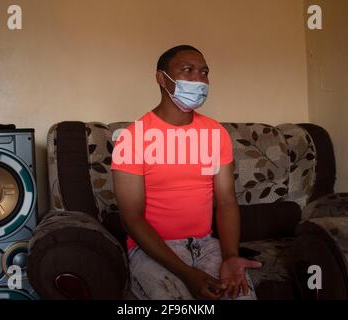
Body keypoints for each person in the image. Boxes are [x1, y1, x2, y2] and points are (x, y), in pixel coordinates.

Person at [110, 45, 262, 300]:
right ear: (162, 78)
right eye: (187, 70)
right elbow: (132, 218)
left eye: (204, 73)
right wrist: (186, 273)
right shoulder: (132, 138)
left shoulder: (215, 133)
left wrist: (231, 257)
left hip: (205, 244)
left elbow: (226, 202)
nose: (199, 80)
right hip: (152, 250)